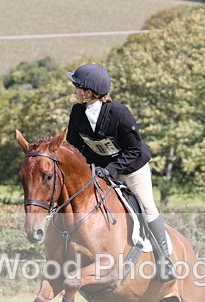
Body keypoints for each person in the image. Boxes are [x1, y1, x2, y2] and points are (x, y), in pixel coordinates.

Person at [65, 63, 176, 281]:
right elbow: (74, 146)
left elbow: (134, 148)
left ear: (89, 92)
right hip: (100, 169)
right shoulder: (77, 111)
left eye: (77, 87)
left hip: (132, 167)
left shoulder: (119, 113)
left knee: (146, 205)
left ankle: (165, 260)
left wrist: (111, 169)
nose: (74, 91)